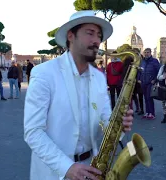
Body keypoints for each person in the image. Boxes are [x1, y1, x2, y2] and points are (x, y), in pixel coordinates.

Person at [23, 10, 134, 180]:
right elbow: (33, 132)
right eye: (90, 33)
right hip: (53, 172)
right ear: (71, 36)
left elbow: (106, 120)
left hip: (92, 167)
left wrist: (119, 125)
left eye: (99, 35)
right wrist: (67, 167)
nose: (96, 40)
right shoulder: (44, 73)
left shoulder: (98, 77)